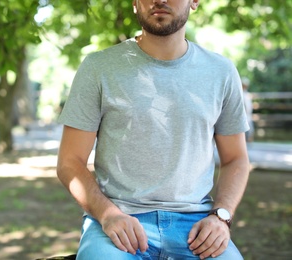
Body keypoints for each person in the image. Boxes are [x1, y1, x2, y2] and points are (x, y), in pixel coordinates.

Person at [56, 0, 251, 259]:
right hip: (120, 220)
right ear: (135, 3)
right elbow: (70, 162)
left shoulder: (221, 72)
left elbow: (236, 159)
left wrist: (221, 216)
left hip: (197, 225)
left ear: (194, 2)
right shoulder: (98, 68)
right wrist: (108, 215)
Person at [242, 77, 255, 142]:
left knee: (250, 133)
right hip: (243, 118)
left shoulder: (247, 94)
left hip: (248, 117)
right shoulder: (241, 94)